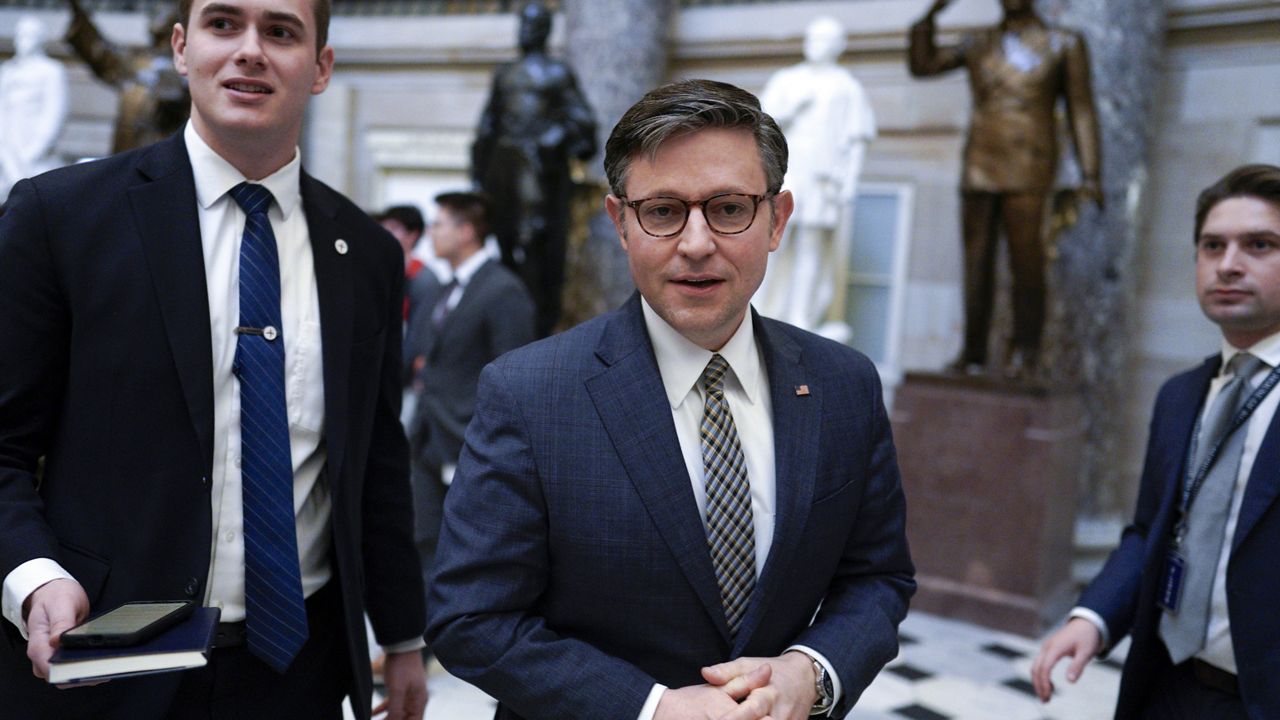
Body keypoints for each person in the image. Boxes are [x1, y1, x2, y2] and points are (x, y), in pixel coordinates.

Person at [427, 79, 915, 720]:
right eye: (662, 211)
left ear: (778, 218)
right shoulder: (529, 393)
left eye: (729, 207)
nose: (695, 243)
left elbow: (878, 578)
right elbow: (472, 618)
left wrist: (812, 673)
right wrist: (651, 708)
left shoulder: (843, 384)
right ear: (620, 222)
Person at [0, 1, 427, 718]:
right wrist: (35, 577)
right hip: (106, 667)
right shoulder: (61, 218)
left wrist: (405, 637)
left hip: (297, 672)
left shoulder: (367, 255)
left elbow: (375, 463)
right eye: (224, 25)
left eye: (281, 32)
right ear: (181, 47)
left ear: (320, 67)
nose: (250, 51)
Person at [1032, 164, 1280, 719]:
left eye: (1259, 245)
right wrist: (1092, 616)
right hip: (1163, 685)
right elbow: (1152, 531)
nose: (1229, 264)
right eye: (1213, 246)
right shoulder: (1181, 395)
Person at [909, 0, 1102, 377]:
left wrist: (1091, 173)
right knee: (976, 262)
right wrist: (931, 15)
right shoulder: (978, 42)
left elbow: (1081, 108)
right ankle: (973, 353)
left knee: (1027, 262)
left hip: (1030, 163)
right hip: (981, 163)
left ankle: (1027, 353)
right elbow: (923, 65)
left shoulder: (1063, 43)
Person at [403, 191, 535, 625]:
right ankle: (423, 635)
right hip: (427, 436)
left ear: (466, 231)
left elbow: (515, 372)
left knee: (475, 545)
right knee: (424, 537)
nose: (432, 233)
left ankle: (469, 628)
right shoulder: (443, 288)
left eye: (439, 224)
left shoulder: (503, 290)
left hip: (470, 438)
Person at [471, 0, 597, 337]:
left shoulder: (558, 74)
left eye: (533, 24)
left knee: (535, 240)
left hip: (537, 170)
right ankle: (506, 315)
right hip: (503, 167)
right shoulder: (505, 72)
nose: (526, 30)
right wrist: (476, 171)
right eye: (523, 23)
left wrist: (553, 139)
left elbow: (582, 123)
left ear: (544, 30)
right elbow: (489, 123)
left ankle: (536, 323)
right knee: (503, 238)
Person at [754, 16, 875, 336]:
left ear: (838, 46)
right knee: (770, 240)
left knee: (811, 246)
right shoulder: (787, 80)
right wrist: (791, 108)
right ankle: (758, 308)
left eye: (823, 39)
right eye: (812, 38)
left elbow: (856, 139)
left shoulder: (846, 86)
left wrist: (849, 181)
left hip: (822, 176)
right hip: (786, 171)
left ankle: (799, 315)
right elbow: (758, 124)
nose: (815, 45)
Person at [66, 0, 190, 153]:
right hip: (127, 153)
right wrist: (76, 11)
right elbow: (101, 53)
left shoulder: (185, 69)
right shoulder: (137, 61)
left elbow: (172, 99)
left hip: (161, 156)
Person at [0, 15, 68, 201]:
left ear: (40, 39)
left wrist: (33, 152)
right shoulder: (8, 70)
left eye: (29, 35)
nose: (22, 41)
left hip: (35, 152)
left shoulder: (51, 71)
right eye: (19, 35)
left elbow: (54, 114)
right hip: (7, 150)